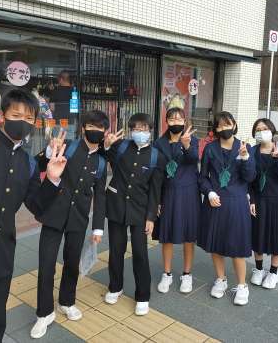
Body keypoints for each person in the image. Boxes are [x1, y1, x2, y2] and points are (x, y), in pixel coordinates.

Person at [0, 89, 67, 343]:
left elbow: (38, 207)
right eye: (16, 115)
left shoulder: (28, 163)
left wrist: (52, 179)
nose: (22, 122)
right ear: (1, 116)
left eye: (29, 118)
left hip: (1, 260)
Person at [30, 110, 109, 339]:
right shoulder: (69, 147)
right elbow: (38, 164)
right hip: (53, 214)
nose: (95, 131)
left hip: (78, 218)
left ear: (105, 132)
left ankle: (67, 301)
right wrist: (49, 152)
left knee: (72, 263)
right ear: (83, 128)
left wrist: (97, 228)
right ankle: (44, 313)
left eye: (100, 128)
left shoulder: (101, 162)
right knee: (46, 265)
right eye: (91, 126)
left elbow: (100, 196)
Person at [103, 113, 166, 316]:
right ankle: (115, 287)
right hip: (116, 206)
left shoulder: (156, 156)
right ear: (131, 130)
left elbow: (155, 190)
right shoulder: (121, 146)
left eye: (143, 128)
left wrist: (151, 217)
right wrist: (107, 145)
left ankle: (142, 295)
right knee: (116, 249)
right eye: (136, 129)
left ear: (150, 131)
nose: (140, 132)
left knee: (140, 252)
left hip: (140, 210)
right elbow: (105, 156)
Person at [198, 111, 256, 306]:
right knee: (215, 245)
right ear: (215, 129)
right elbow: (203, 177)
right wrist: (209, 193)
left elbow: (250, 177)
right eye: (220, 125)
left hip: (237, 203)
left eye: (227, 124)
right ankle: (221, 279)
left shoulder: (244, 147)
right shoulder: (210, 148)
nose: (224, 128)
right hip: (215, 202)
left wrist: (245, 158)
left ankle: (242, 286)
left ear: (234, 125)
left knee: (237, 247)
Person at [154, 107, 199, 294]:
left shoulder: (192, 140)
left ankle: (187, 274)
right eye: (172, 119)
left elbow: (194, 159)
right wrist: (156, 200)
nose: (175, 122)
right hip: (168, 193)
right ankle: (167, 273)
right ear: (166, 121)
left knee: (189, 236)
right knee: (167, 236)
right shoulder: (159, 143)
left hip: (189, 193)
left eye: (179, 119)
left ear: (184, 121)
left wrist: (187, 145)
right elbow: (156, 173)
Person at [249, 118, 278, 290]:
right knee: (258, 235)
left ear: (272, 130)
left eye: (265, 128)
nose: (261, 132)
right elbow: (249, 180)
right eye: (258, 129)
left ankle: (274, 272)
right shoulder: (252, 152)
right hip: (260, 199)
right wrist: (251, 200)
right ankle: (258, 269)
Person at [49, 71, 75, 139]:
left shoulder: (55, 91)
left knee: (57, 142)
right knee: (69, 142)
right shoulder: (74, 91)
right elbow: (75, 109)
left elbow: (52, 108)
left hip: (58, 122)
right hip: (70, 122)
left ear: (61, 79)